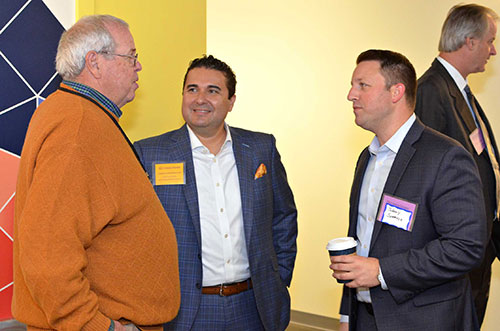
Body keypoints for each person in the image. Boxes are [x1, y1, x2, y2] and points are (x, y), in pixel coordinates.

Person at [12, 15, 180, 331]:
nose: (138, 66)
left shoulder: (80, 114)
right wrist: (98, 326)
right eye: (131, 56)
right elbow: (47, 256)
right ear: (95, 63)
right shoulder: (77, 127)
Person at [134, 55, 298, 331]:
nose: (200, 99)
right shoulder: (150, 153)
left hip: (254, 304)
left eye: (213, 91)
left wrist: (278, 277)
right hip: (187, 309)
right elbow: (135, 232)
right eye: (192, 89)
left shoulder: (260, 148)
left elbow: (283, 216)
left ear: (231, 101)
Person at [331, 49, 486, 330]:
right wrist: (346, 316)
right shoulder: (367, 157)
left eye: (362, 85)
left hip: (425, 321)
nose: (351, 95)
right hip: (365, 318)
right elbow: (361, 241)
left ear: (396, 92)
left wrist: (381, 271)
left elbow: (466, 247)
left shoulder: (445, 156)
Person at [415, 4, 499, 324]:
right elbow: (424, 179)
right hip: (453, 248)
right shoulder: (431, 91)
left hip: (477, 241)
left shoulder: (460, 90)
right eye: (490, 41)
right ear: (470, 42)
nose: (493, 51)